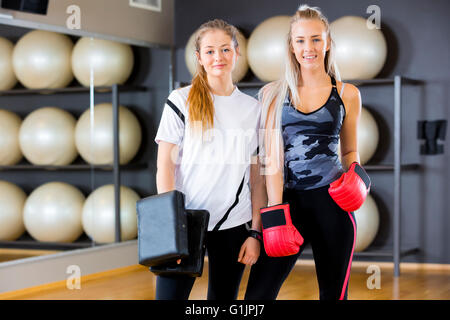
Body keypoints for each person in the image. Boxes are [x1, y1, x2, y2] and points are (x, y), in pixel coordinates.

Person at [245, 5, 362, 300]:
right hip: (286, 203)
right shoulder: (272, 93)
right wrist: (273, 211)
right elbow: (268, 157)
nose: (308, 47)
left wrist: (356, 177)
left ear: (328, 43)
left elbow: (349, 150)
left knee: (334, 295)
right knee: (257, 296)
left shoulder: (347, 93)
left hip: (332, 202)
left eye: (315, 39)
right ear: (291, 46)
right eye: (300, 40)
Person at [154, 18, 266, 300]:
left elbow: (257, 177)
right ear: (199, 57)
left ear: (237, 53)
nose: (219, 57)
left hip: (233, 225)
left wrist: (255, 233)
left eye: (226, 50)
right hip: (184, 221)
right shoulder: (180, 100)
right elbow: (164, 166)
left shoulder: (253, 109)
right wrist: (170, 226)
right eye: (210, 51)